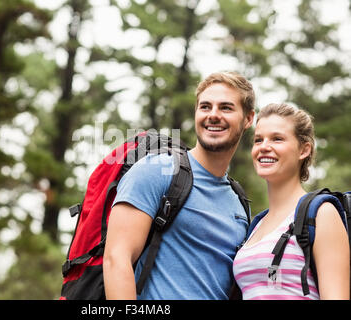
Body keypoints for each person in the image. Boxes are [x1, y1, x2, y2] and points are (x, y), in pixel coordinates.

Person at [103, 71, 255, 299]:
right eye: (205, 107)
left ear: (249, 119)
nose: (213, 115)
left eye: (226, 108)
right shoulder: (157, 170)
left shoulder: (239, 204)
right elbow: (117, 258)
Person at [233, 103, 350, 300]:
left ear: (304, 150)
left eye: (277, 139)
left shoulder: (322, 213)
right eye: (258, 140)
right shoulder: (255, 225)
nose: (264, 147)